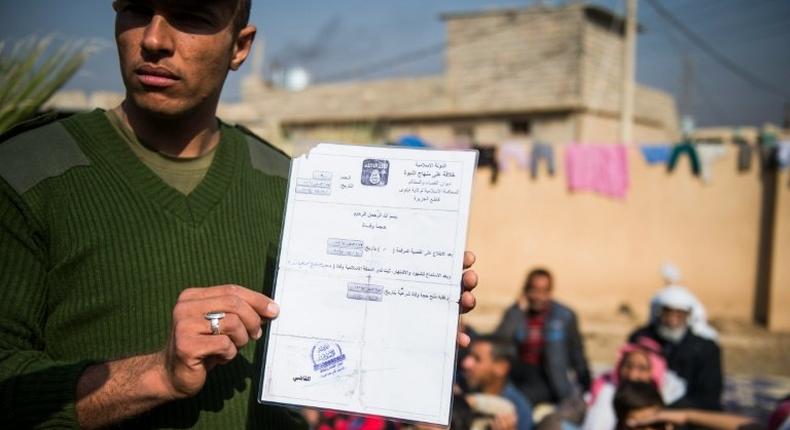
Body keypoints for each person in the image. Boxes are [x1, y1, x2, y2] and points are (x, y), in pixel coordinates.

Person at [0, 1, 479, 428]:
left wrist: (407, 326)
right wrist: (157, 375)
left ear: (239, 46)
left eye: (191, 17)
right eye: (137, 11)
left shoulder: (293, 187)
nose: (153, 40)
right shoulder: (26, 173)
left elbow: (289, 394)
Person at [496, 268, 591, 407]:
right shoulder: (516, 313)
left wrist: (586, 384)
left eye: (543, 291)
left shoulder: (563, 316)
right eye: (534, 290)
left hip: (551, 379)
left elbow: (577, 353)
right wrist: (517, 312)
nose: (538, 296)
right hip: (519, 378)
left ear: (550, 292)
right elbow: (500, 343)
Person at [628, 285, 723, 411]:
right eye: (667, 313)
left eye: (679, 314)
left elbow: (709, 395)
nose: (672, 320)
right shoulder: (641, 338)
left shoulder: (705, 348)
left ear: (688, 315)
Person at [581, 337, 686, 430]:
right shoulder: (606, 392)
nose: (632, 374)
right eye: (628, 366)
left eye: (642, 368)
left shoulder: (670, 396)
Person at [462, 334, 534, 430]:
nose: (466, 363)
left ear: (501, 368)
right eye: (468, 356)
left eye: (477, 359)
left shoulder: (519, 409)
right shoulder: (459, 386)